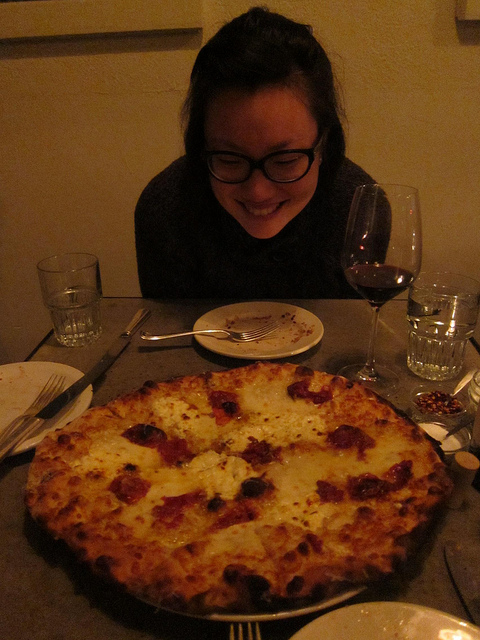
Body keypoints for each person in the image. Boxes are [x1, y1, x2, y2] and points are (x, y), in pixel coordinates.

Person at [135, 6, 375, 299]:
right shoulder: (166, 211)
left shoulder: (360, 210)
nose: (258, 192)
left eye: (285, 161)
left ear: (324, 142)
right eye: (229, 160)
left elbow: (358, 326)